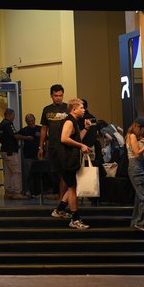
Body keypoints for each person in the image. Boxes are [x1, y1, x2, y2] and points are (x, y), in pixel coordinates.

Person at [55, 98, 91, 229]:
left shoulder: (74, 121)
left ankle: (59, 210)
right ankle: (75, 219)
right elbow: (64, 138)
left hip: (69, 160)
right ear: (74, 109)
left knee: (72, 186)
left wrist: (86, 129)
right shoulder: (69, 121)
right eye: (81, 107)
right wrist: (81, 145)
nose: (84, 109)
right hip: (66, 160)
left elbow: (75, 138)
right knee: (72, 188)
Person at [39, 84, 68, 202]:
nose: (58, 98)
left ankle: (62, 197)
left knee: (64, 172)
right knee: (54, 172)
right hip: (52, 146)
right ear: (51, 96)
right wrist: (40, 146)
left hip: (65, 146)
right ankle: (60, 194)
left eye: (60, 95)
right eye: (56, 96)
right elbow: (44, 129)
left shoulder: (68, 108)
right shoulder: (47, 109)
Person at [125, 117, 144, 232]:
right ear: (138, 126)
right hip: (136, 167)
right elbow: (136, 153)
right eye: (143, 129)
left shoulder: (135, 137)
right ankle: (142, 223)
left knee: (139, 198)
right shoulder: (132, 136)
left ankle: (136, 223)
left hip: (138, 167)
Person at [0, 108, 23, 199]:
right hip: (10, 151)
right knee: (16, 171)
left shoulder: (1, 124)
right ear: (9, 115)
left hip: (4, 150)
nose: (14, 117)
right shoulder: (8, 124)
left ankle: (7, 192)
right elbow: (15, 135)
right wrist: (26, 137)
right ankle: (16, 192)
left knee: (8, 172)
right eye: (13, 116)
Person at [15, 113, 41, 196]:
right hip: (28, 156)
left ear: (34, 120)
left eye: (32, 120)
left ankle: (39, 191)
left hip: (39, 155)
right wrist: (25, 138)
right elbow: (16, 136)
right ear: (26, 121)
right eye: (29, 121)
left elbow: (46, 139)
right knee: (29, 173)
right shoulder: (24, 130)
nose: (31, 122)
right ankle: (29, 191)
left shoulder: (39, 129)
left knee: (40, 173)